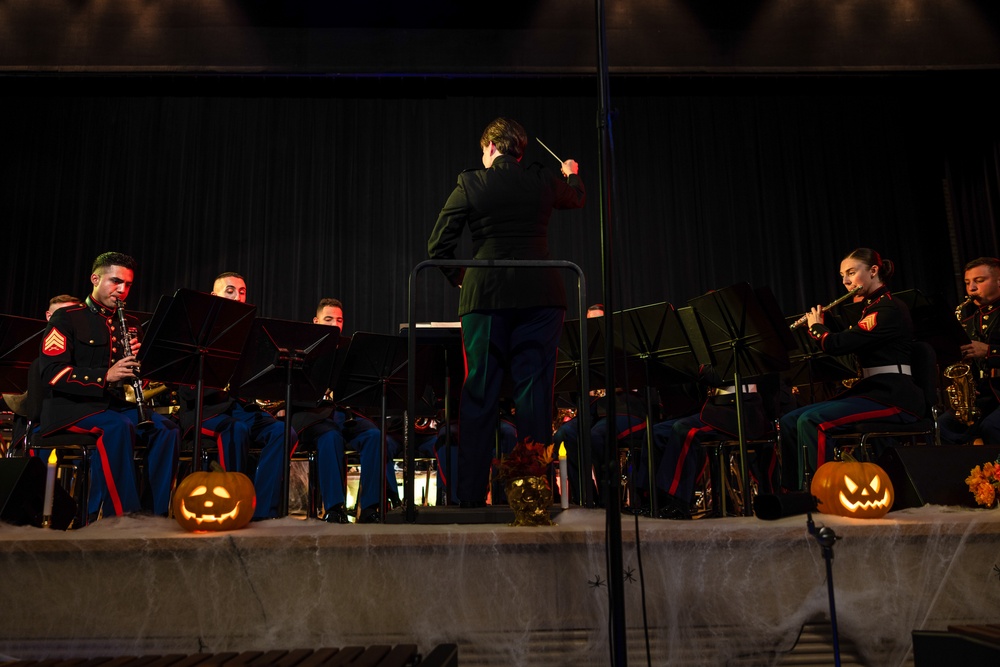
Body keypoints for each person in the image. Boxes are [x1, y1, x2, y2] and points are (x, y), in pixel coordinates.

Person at [427, 117, 585, 507]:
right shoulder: (545, 179)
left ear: (493, 147)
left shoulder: (472, 183)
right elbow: (576, 198)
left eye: (483, 151)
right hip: (542, 296)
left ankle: (468, 500)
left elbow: (438, 245)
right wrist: (572, 174)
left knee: (479, 394)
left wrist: (462, 278)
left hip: (486, 298)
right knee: (534, 399)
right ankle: (530, 498)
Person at [37, 252, 179, 519]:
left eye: (127, 284)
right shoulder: (67, 318)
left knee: (168, 429)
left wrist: (140, 367)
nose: (122, 290)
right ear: (95, 278)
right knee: (119, 427)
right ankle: (123, 517)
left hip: (111, 407)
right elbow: (52, 373)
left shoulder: (132, 323)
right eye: (115, 282)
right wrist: (105, 376)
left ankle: (154, 516)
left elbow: (137, 377)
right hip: (70, 407)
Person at [778, 248, 924, 490]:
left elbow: (838, 344)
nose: (846, 281)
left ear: (874, 271)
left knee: (811, 420)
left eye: (852, 273)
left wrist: (817, 328)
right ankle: (795, 491)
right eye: (842, 275)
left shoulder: (887, 308)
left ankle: (825, 491)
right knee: (790, 420)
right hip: (872, 391)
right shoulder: (868, 308)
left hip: (895, 396)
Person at [179, 271, 293, 520]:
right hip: (203, 410)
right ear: (214, 295)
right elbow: (185, 385)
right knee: (236, 429)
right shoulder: (196, 328)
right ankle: (233, 506)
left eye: (242, 292)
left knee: (284, 432)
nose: (238, 297)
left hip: (240, 409)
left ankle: (263, 510)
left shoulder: (250, 332)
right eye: (230, 291)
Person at [292, 298, 395, 523]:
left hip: (341, 414)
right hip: (311, 416)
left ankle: (370, 508)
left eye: (339, 320)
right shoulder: (301, 350)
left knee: (374, 436)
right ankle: (335, 509)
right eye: (328, 319)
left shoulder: (348, 351)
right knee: (330, 437)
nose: (335, 325)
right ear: (315, 321)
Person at [939, 257, 1000, 444]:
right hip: (983, 397)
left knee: (991, 426)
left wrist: (990, 351)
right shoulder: (965, 323)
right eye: (967, 283)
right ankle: (970, 472)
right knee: (941, 426)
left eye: (979, 281)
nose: (971, 288)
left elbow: (987, 352)